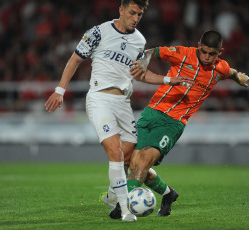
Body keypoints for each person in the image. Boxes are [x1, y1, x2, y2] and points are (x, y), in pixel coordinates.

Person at [44, 0, 192, 222]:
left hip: (123, 103)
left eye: (139, 15)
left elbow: (140, 74)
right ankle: (124, 210)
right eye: (132, 13)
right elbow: (75, 59)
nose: (135, 18)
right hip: (100, 99)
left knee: (130, 155)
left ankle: (116, 193)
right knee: (115, 152)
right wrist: (59, 90)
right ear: (121, 10)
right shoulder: (98, 32)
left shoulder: (140, 41)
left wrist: (170, 80)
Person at [115, 30, 249, 217]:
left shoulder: (220, 68)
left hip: (173, 122)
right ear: (198, 46)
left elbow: (231, 72)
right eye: (204, 51)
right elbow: (152, 51)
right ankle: (169, 194)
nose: (207, 57)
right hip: (150, 113)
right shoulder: (183, 53)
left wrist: (238, 77)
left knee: (144, 161)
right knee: (134, 164)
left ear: (220, 52)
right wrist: (145, 60)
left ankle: (123, 205)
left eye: (213, 54)